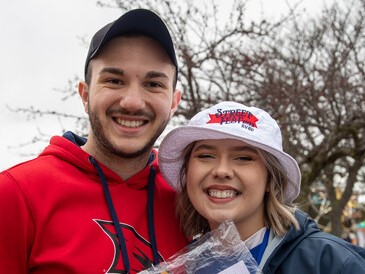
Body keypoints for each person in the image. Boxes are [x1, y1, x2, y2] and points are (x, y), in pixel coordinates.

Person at [0, 9, 188, 274]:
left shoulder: (189, 201)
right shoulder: (15, 194)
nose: (132, 101)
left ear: (173, 102)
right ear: (85, 95)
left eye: (153, 84)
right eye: (114, 80)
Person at [158, 101, 365, 273]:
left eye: (243, 158)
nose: (222, 171)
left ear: (270, 179)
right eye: (206, 156)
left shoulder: (332, 264)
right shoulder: (180, 266)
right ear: (188, 172)